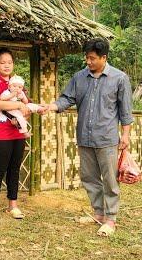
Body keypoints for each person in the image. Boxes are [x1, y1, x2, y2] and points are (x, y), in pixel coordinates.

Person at [39, 38, 134, 236]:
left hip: (107, 138)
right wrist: (52, 106)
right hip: (85, 136)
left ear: (104, 57)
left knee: (109, 180)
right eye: (87, 58)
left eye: (92, 58)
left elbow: (125, 111)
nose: (88, 62)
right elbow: (67, 98)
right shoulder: (79, 77)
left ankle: (110, 219)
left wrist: (125, 135)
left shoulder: (119, 78)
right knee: (89, 178)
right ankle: (98, 214)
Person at [0, 48, 33, 225]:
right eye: (2, 62)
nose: (6, 65)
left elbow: (27, 107)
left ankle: (13, 205)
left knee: (15, 169)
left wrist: (23, 117)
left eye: (9, 62)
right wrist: (18, 105)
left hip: (17, 134)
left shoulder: (17, 83)